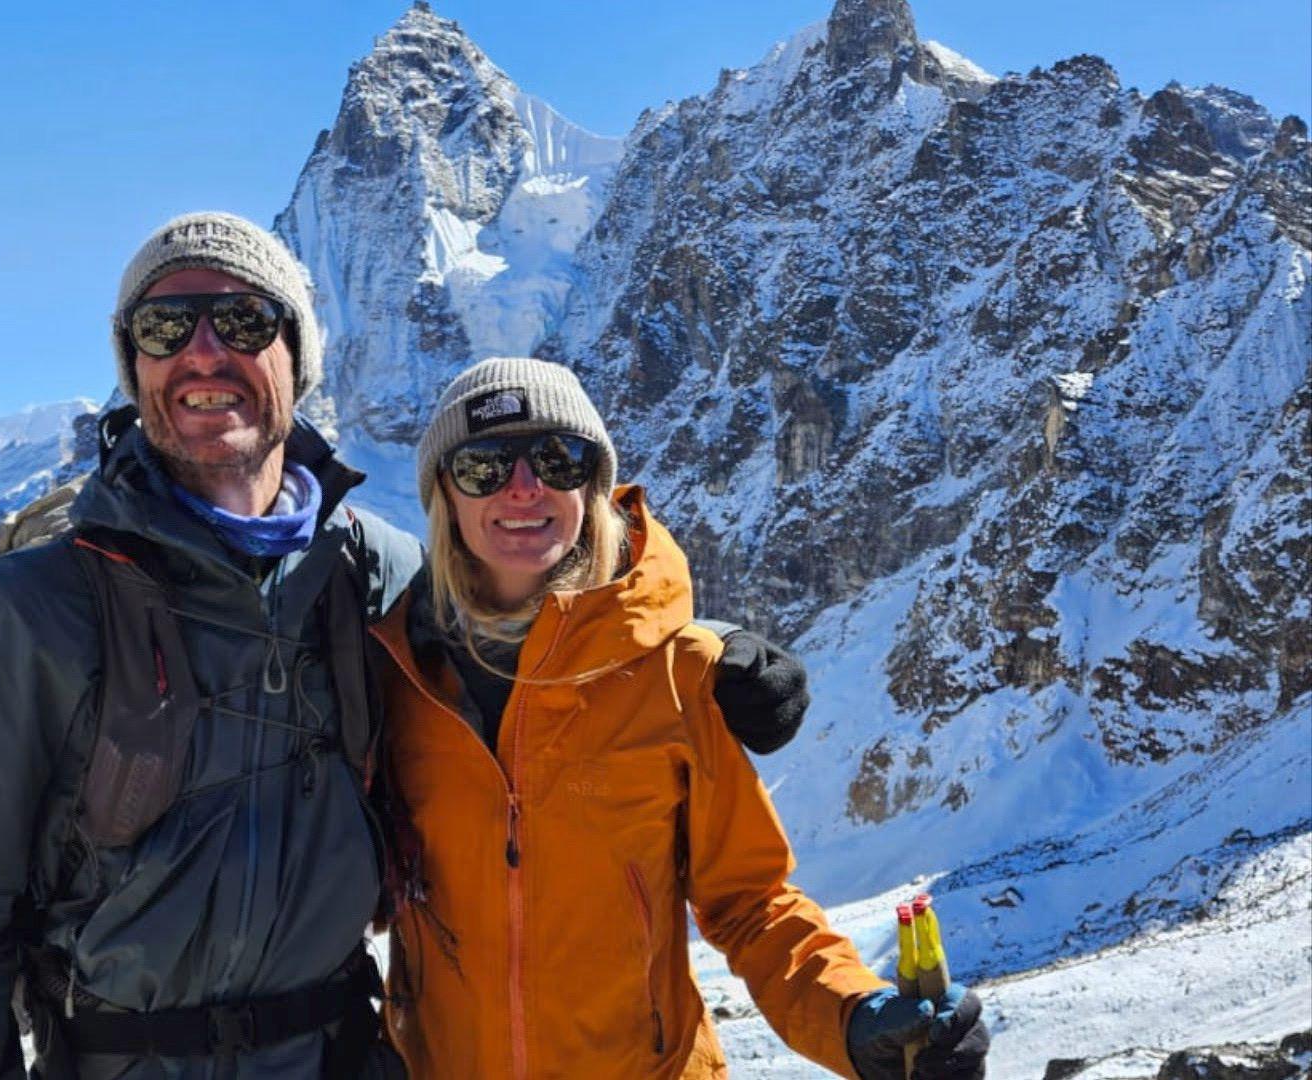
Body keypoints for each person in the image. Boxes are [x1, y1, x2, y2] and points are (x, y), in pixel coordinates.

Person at [0, 214, 814, 1079]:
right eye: (167, 324)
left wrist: (711, 647)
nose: (204, 351)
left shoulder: (366, 570)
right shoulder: (37, 605)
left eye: (245, 319)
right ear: (133, 366)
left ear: (297, 358)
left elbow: (531, 620)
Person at [372, 357, 992, 1080]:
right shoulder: (396, 673)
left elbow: (750, 903)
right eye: (483, 464)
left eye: (557, 458)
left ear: (596, 487)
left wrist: (851, 1017)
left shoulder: (677, 675)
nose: (524, 486)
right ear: (442, 493)